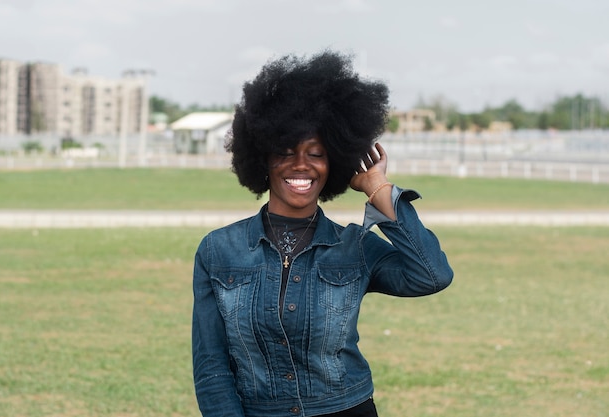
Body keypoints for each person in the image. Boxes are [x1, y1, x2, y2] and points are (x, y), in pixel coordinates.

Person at [192, 50, 453, 417]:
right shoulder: (219, 250)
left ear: (334, 164)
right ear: (263, 160)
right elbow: (211, 365)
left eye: (316, 153)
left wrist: (377, 187)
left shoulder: (356, 247)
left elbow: (432, 275)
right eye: (285, 152)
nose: (301, 164)